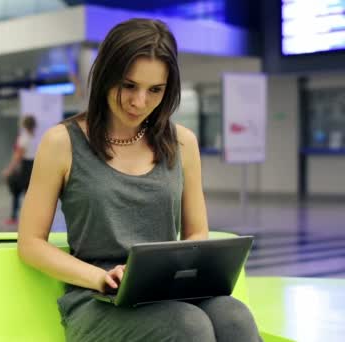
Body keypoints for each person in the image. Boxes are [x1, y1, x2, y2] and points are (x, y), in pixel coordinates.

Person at [17, 19, 262, 341]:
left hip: (166, 292)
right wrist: (103, 278)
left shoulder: (183, 143)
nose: (139, 102)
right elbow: (31, 244)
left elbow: (196, 232)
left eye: (155, 90)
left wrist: (174, 273)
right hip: (95, 298)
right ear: (105, 75)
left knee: (233, 316)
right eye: (128, 85)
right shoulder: (62, 142)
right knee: (187, 326)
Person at [2, 115, 37, 225]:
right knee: (29, 193)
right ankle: (31, 217)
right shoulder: (34, 138)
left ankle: (14, 217)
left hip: (26, 167)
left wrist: (9, 169)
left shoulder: (24, 138)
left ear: (24, 125)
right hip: (34, 166)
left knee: (16, 192)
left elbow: (18, 156)